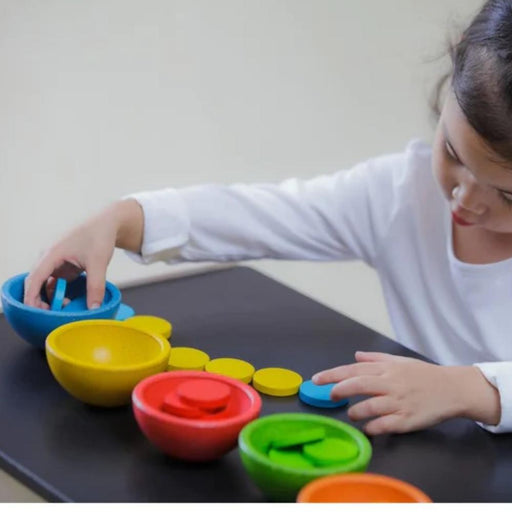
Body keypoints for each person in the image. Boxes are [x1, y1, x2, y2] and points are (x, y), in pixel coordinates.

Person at [23, 0, 512, 436]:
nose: (465, 198)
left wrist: (473, 389)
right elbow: (260, 213)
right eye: (452, 151)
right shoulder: (400, 194)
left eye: (507, 195)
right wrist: (124, 219)